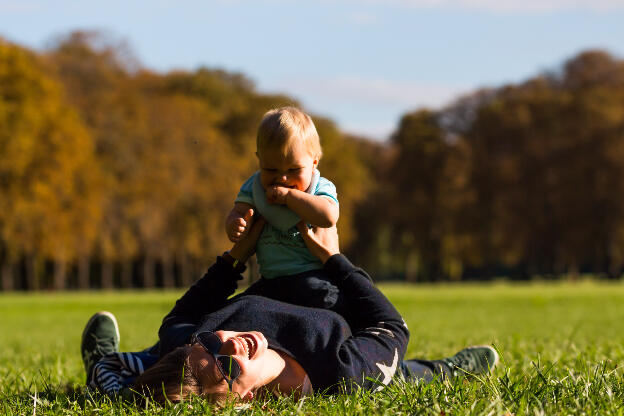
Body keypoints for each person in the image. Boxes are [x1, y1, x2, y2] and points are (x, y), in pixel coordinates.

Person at [81, 219, 499, 404]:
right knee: (398, 375)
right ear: (241, 404)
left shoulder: (194, 348)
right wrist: (335, 259)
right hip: (334, 293)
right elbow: (391, 325)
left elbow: (177, 321)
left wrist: (235, 258)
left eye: (211, 343)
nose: (229, 343)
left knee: (143, 365)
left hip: (276, 270)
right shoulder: (341, 372)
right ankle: (449, 370)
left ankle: (96, 356)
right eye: (225, 370)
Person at [224, 107, 342, 309]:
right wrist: (235, 224)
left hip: (313, 277)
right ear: (259, 160)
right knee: (242, 305)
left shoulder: (320, 187)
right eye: (271, 169)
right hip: (270, 279)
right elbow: (238, 211)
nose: (282, 178)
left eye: (294, 170)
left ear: (314, 163)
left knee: (330, 304)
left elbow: (328, 216)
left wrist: (290, 197)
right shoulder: (254, 188)